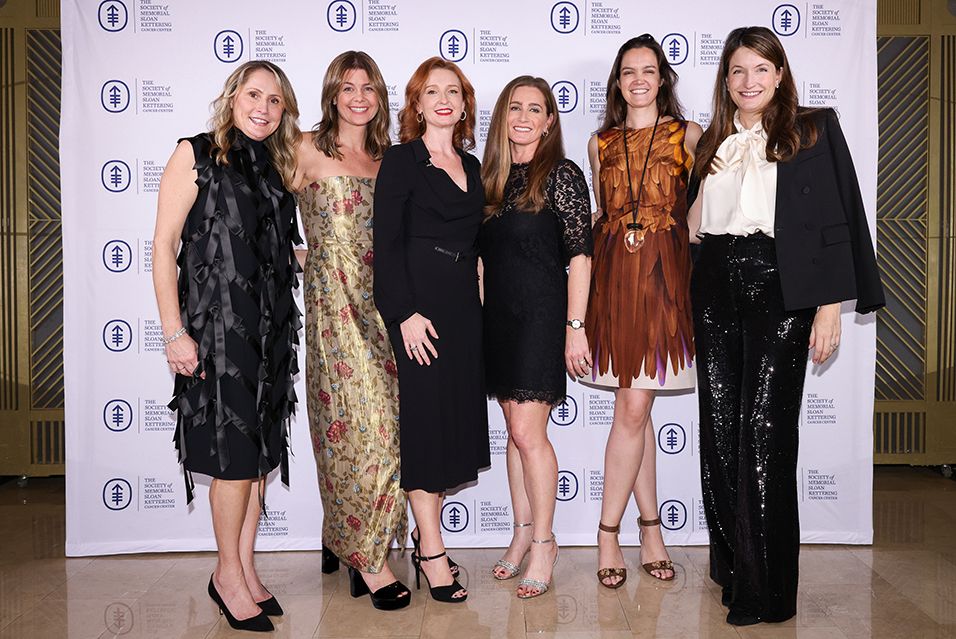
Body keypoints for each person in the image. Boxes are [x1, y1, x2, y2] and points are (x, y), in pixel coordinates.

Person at [687, 26, 884, 626]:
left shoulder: (815, 129)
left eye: (761, 69)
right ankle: (733, 569)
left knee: (764, 432)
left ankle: (766, 588)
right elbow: (696, 229)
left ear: (779, 74)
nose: (749, 81)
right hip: (716, 283)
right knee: (720, 434)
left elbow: (839, 216)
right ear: (727, 80)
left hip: (783, 288)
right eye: (738, 71)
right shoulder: (712, 141)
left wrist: (830, 305)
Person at [152, 60, 302, 633]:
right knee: (232, 460)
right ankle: (225, 576)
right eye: (254, 95)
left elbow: (276, 249)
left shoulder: (276, 170)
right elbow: (164, 246)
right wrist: (173, 331)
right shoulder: (194, 155)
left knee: (259, 458)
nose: (263, 107)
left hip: (271, 334)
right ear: (232, 97)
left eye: (275, 100)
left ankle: (243, 566)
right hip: (216, 334)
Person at [293, 51, 409, 611]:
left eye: (368, 87)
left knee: (390, 429)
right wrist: (293, 254)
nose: (358, 96)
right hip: (334, 312)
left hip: (389, 309)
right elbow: (258, 210)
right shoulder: (304, 150)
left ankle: (343, 536)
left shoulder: (391, 161)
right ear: (332, 94)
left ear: (380, 96)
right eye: (347, 86)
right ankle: (369, 557)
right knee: (354, 425)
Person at [584, 35, 702, 588]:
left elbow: (700, 218)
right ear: (617, 81)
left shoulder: (690, 136)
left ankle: (611, 530)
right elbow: (596, 220)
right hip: (613, 283)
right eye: (628, 71)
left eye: (648, 71)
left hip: (664, 284)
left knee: (633, 409)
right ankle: (647, 527)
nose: (638, 80)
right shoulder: (599, 142)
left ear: (662, 80)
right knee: (637, 411)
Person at [373, 57, 489, 604]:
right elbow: (387, 244)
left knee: (448, 428)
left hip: (464, 311)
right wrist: (403, 314)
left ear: (465, 105)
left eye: (453, 91)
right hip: (420, 312)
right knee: (425, 429)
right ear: (416, 105)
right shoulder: (401, 161)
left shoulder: (472, 163)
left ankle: (429, 540)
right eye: (431, 91)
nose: (443, 99)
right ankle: (432, 552)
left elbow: (479, 249)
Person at [479, 76, 592, 598]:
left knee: (529, 434)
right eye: (514, 107)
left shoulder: (562, 176)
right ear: (502, 117)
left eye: (536, 109)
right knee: (512, 431)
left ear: (550, 120)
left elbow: (580, 257)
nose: (523, 117)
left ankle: (545, 541)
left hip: (542, 319)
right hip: (497, 321)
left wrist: (575, 328)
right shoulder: (490, 179)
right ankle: (521, 533)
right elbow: (482, 260)